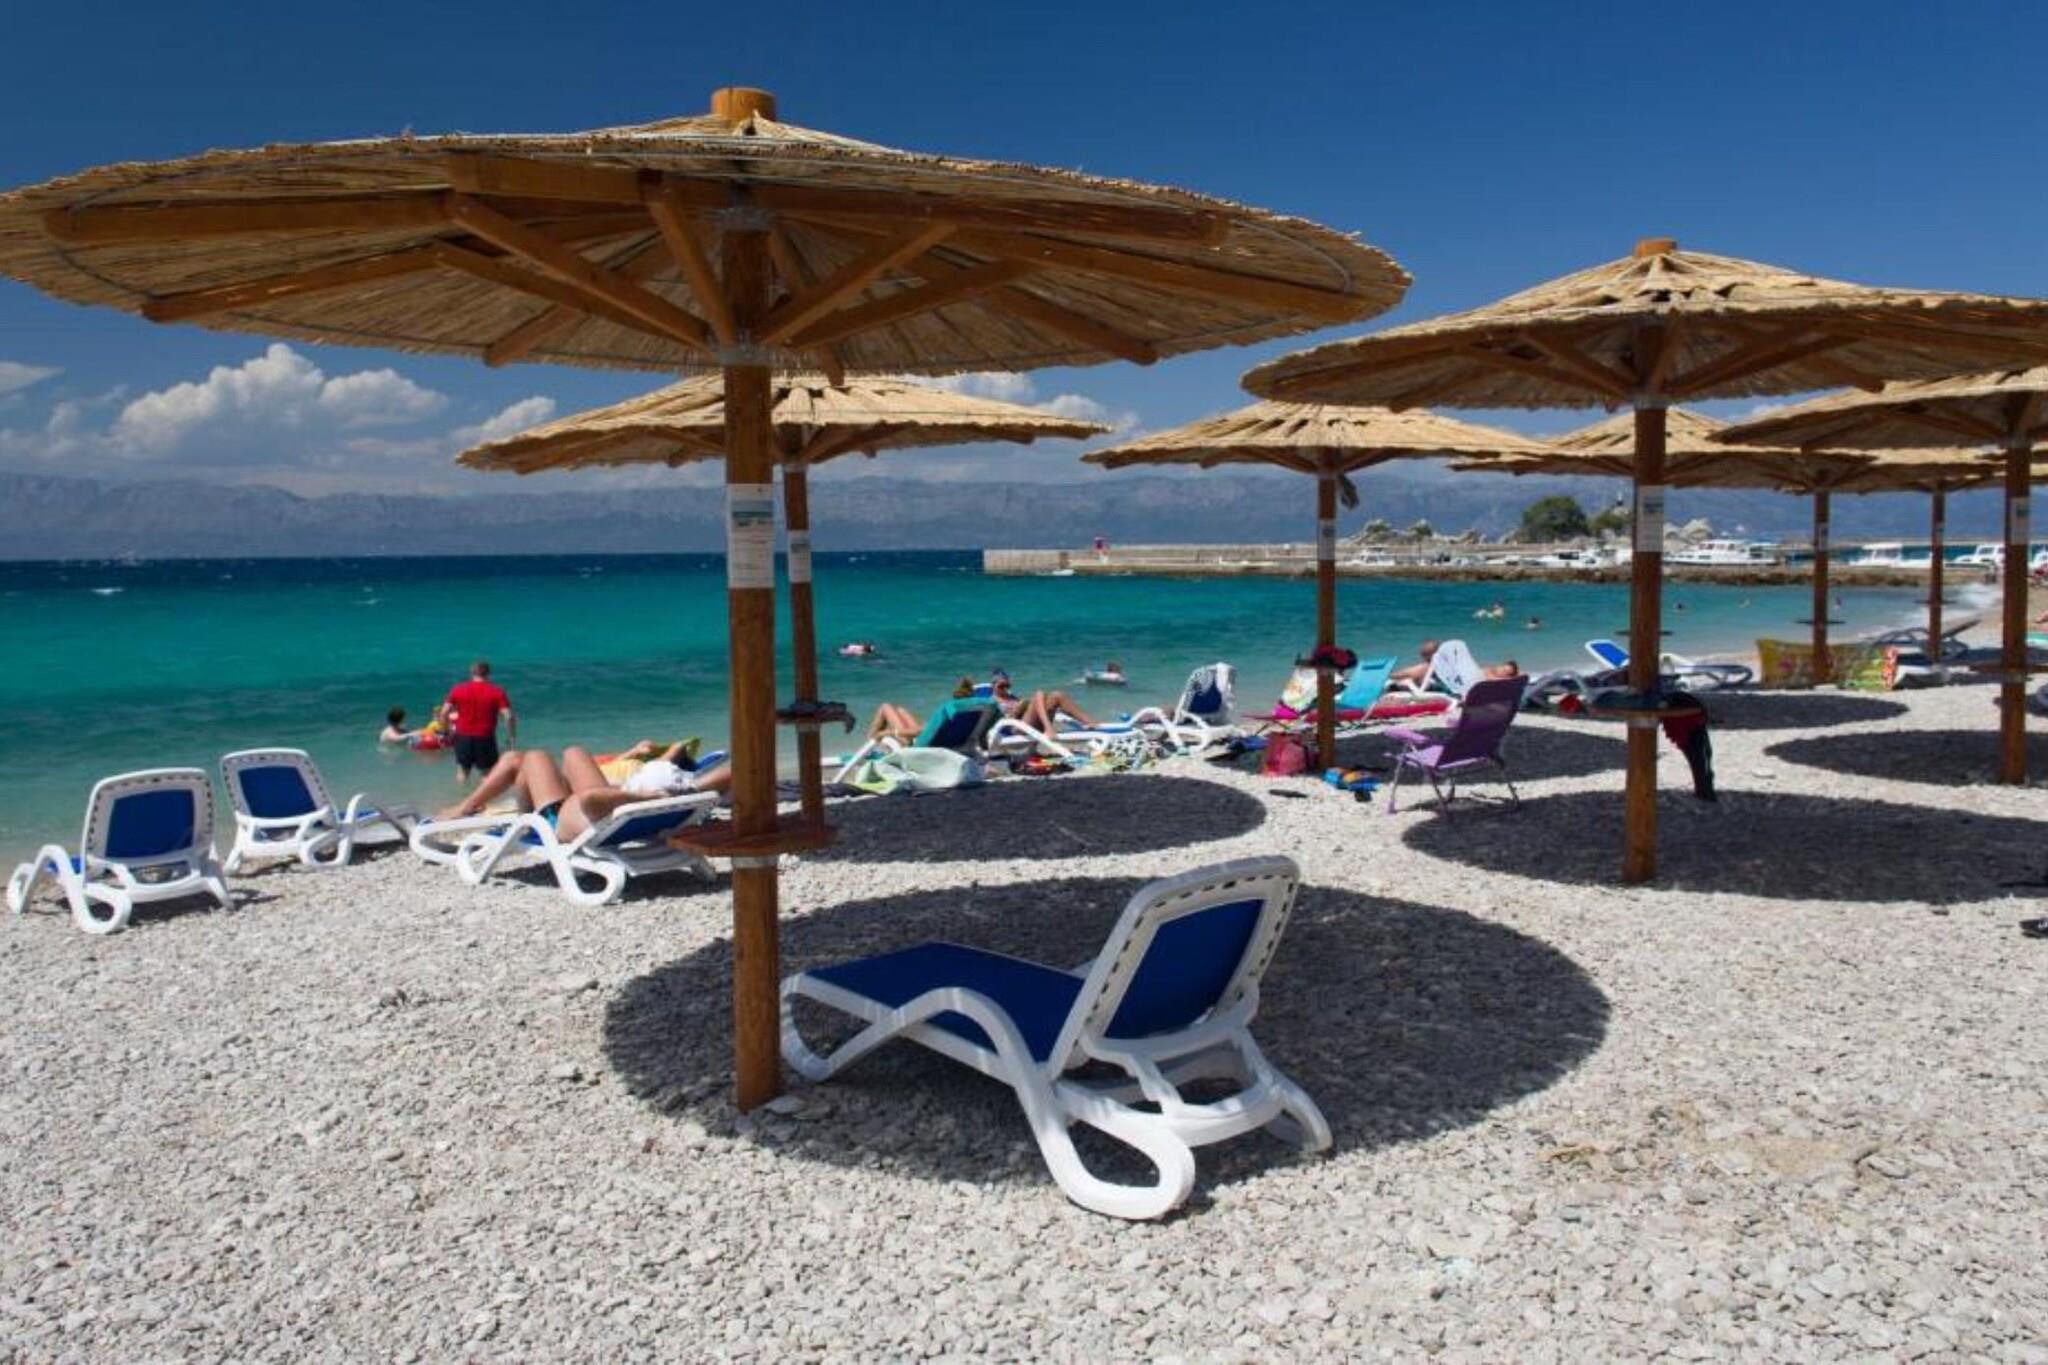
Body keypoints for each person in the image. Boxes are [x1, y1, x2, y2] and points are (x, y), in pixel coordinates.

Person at [437, 744, 730, 841]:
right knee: (569, 752)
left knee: (531, 757)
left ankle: (467, 808)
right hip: (595, 809)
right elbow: (734, 773)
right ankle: (471, 807)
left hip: (565, 820)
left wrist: (643, 797)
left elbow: (591, 798)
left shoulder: (649, 796)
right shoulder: (691, 789)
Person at [442, 659, 516, 783]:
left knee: (462, 772)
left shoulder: (457, 689)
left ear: (471, 673)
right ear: (488, 673)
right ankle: (484, 796)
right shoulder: (497, 691)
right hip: (485, 738)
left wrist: (447, 731)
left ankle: (462, 795)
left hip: (462, 737)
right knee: (486, 774)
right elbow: (508, 716)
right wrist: (511, 736)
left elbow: (444, 712)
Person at [991, 669, 1096, 732]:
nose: (1005, 688)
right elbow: (997, 722)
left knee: (1057, 695)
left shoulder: (1013, 698)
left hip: (1031, 724)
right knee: (1039, 694)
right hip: (1016, 729)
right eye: (1001, 686)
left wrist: (1023, 706)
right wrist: (1014, 712)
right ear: (993, 686)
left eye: (1007, 685)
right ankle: (1048, 729)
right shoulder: (992, 701)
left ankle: (1091, 723)